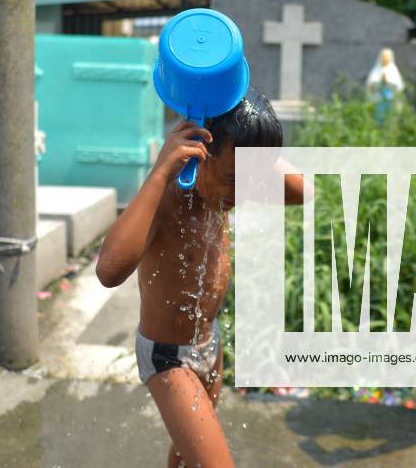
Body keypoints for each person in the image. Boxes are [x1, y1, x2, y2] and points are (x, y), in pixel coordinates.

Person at [96, 86, 303, 468]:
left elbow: (303, 189)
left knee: (187, 453)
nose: (240, 195)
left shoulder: (221, 186)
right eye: (234, 179)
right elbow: (108, 271)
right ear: (198, 153)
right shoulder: (168, 199)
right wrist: (160, 174)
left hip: (210, 345)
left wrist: (256, 146)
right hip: (168, 359)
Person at [365, 48, 404, 124]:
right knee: (379, 118)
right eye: (384, 56)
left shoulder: (393, 70)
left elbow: (399, 86)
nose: (385, 58)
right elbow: (370, 84)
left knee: (391, 119)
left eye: (387, 57)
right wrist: (378, 83)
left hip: (390, 99)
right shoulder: (376, 70)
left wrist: (388, 82)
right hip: (379, 99)